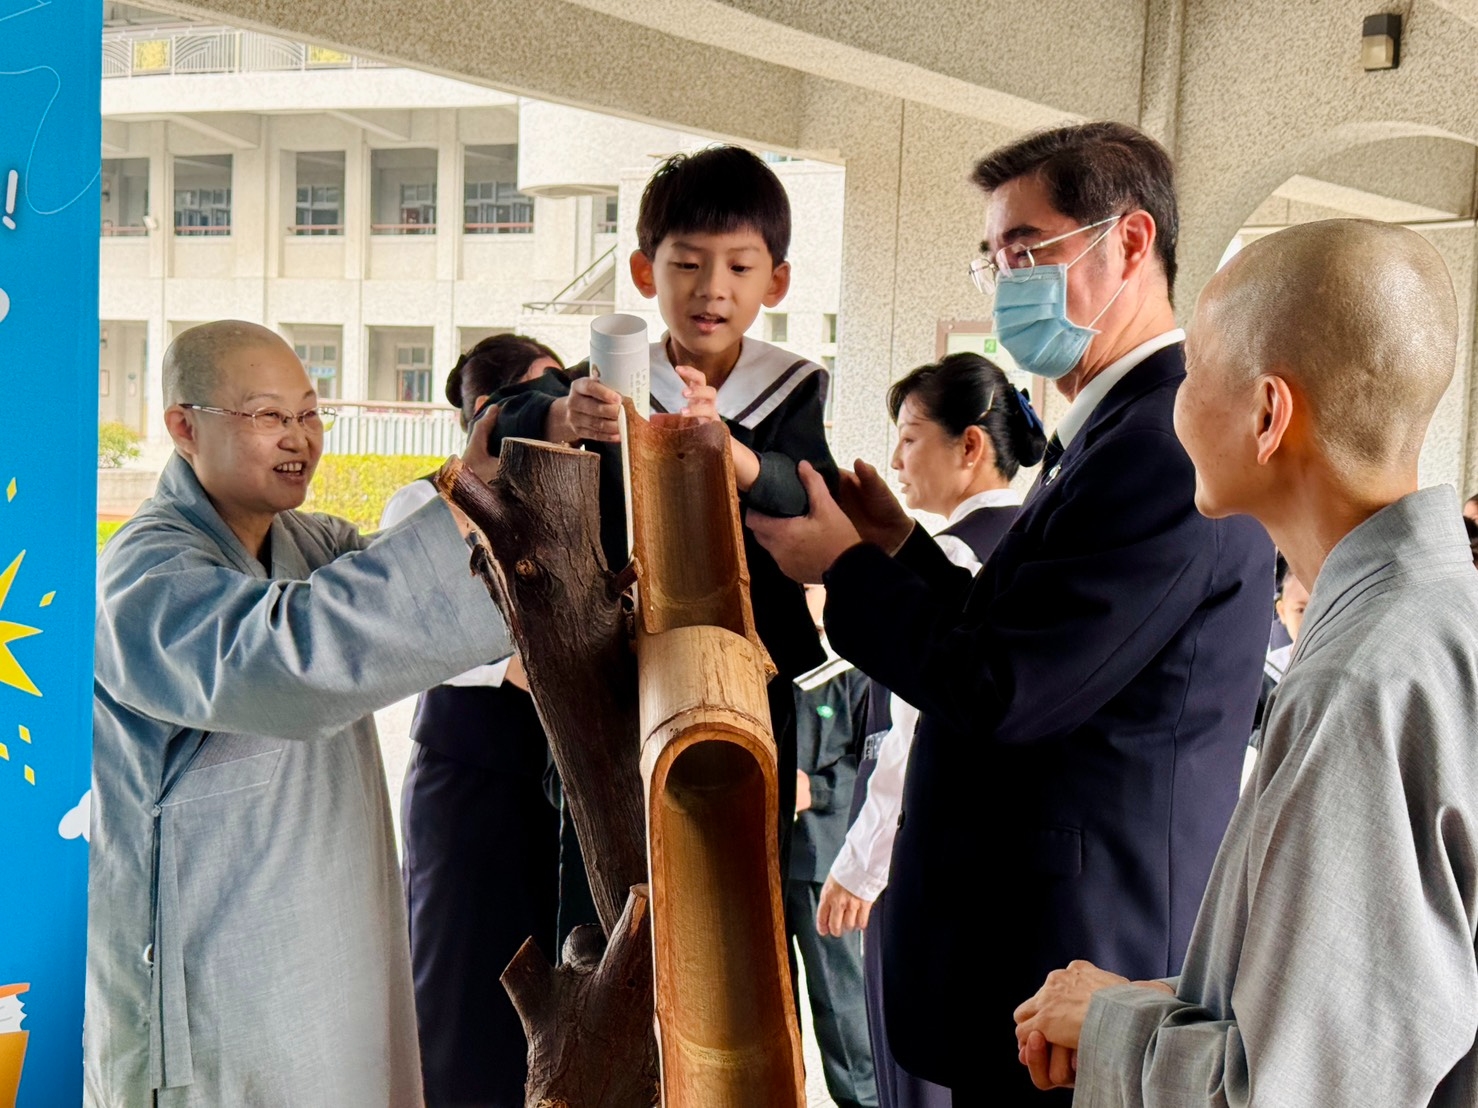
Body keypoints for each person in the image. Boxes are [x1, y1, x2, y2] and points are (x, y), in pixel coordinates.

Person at [749, 122, 1273, 1103]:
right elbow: (1022, 628)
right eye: (992, 257)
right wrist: (896, 549)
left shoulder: (1161, 441)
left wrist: (844, 574)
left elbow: (1007, 686)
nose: (1004, 282)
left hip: (1081, 963)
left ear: (1127, 243)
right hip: (1031, 964)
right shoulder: (1109, 426)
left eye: (1026, 250)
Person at [1012, 218, 1478, 1106]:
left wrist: (1111, 1022)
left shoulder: (1363, 686)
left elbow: (1302, 1093)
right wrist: (1187, 1000)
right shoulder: (1437, 616)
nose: (1175, 404)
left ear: (1269, 415)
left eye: (1190, 375)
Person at [87, 321, 509, 1108]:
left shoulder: (311, 543)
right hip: (219, 990)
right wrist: (460, 512)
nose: (301, 441)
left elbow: (404, 593)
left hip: (331, 959)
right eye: (269, 417)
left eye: (311, 415)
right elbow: (289, 657)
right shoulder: (143, 572)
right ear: (184, 426)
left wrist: (488, 495)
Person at [486, 144, 839, 895]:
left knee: (736, 867)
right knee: (607, 859)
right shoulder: (613, 374)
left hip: (741, 662)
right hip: (617, 652)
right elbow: (499, 422)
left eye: (740, 268)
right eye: (687, 264)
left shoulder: (791, 387)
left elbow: (805, 489)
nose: (712, 289)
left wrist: (732, 454)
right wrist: (560, 411)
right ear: (646, 271)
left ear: (775, 280)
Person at [815, 353, 1044, 1108]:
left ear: (969, 447)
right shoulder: (1034, 547)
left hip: (924, 862)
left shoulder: (946, 554)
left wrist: (859, 863)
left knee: (912, 1077)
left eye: (911, 438)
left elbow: (912, 738)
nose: (895, 461)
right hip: (1009, 866)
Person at [379, 333, 562, 1107]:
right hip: (468, 770)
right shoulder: (424, 502)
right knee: (461, 989)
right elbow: (404, 629)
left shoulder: (573, 495)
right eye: (543, 392)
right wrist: (524, 664)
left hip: (557, 780)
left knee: (552, 990)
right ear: (489, 410)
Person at [788, 586, 876, 1108]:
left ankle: (864, 1101)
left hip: (825, 858)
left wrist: (813, 791)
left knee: (842, 1005)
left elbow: (875, 764)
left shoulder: (857, 664)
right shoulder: (771, 658)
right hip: (762, 854)